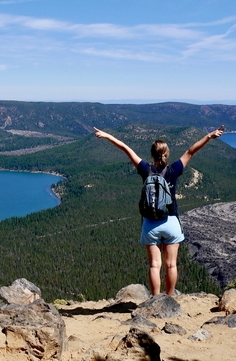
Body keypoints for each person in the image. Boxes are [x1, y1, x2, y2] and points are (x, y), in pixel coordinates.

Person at [93, 125, 224, 296]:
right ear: (166, 154)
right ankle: (169, 299)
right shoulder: (173, 170)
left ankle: (154, 300)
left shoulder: (145, 170)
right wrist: (209, 136)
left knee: (154, 265)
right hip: (171, 222)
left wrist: (107, 135)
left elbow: (126, 148)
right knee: (171, 265)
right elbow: (191, 151)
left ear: (152, 155)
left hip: (150, 224)